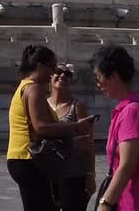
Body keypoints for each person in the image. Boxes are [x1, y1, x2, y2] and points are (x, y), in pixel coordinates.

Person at [7, 44, 97, 211]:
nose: (53, 72)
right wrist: (77, 127)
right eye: (53, 68)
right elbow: (41, 127)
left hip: (21, 158)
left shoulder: (24, 86)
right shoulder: (33, 88)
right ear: (40, 66)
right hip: (28, 158)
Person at [90, 45, 139, 211]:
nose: (98, 84)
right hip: (130, 202)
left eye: (98, 78)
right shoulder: (124, 110)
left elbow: (127, 164)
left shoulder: (132, 112)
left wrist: (105, 203)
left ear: (114, 76)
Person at [48, 64, 96, 211]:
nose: (62, 75)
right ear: (50, 76)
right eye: (58, 71)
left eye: (68, 74)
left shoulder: (77, 106)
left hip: (74, 174)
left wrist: (90, 175)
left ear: (72, 81)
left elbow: (88, 142)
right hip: (49, 173)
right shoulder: (43, 105)